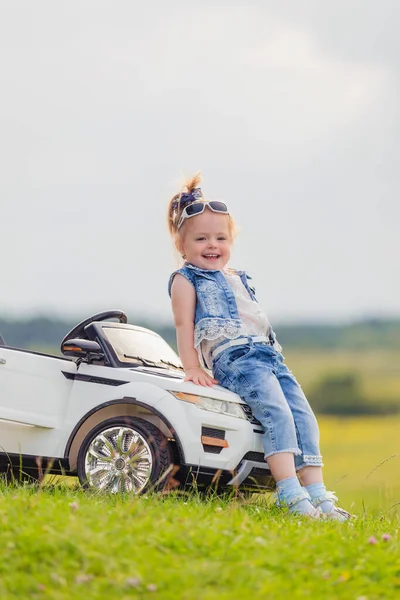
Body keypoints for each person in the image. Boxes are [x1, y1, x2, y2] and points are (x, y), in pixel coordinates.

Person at [167, 173, 351, 520]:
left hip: (269, 357)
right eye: (201, 238)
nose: (212, 245)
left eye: (220, 237)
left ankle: (318, 494)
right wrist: (192, 367)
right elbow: (183, 325)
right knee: (276, 413)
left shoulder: (237, 276)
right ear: (182, 245)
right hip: (236, 360)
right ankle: (289, 494)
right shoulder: (185, 279)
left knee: (304, 417)